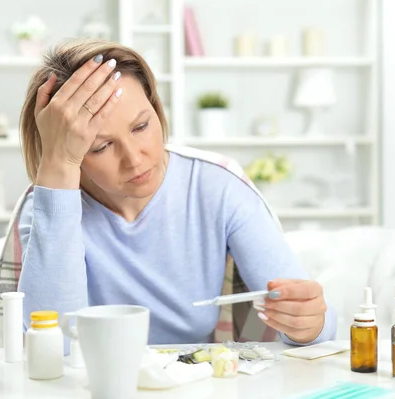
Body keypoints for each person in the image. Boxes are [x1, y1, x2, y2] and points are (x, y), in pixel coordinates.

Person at [17, 38, 336, 350]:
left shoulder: (216, 187)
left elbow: (316, 325)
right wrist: (58, 165)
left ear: (156, 109)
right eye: (101, 146)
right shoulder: (47, 205)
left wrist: (309, 324)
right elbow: (55, 348)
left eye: (140, 126)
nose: (134, 158)